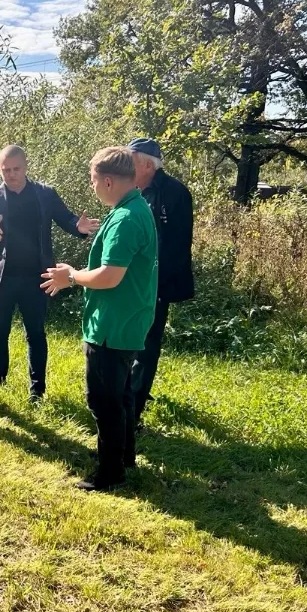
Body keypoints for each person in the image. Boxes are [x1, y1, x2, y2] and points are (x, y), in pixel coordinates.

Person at [41, 146, 157, 491]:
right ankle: (123, 456)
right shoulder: (136, 207)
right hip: (126, 319)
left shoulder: (125, 218)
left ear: (107, 181)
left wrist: (71, 277)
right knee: (121, 394)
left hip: (113, 324)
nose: (92, 188)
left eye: (93, 181)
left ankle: (109, 474)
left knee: (103, 399)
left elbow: (110, 276)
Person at [0, 145, 99, 401]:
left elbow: (66, 218)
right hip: (2, 277)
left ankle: (37, 390)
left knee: (36, 334)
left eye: (15, 169)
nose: (10, 174)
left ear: (26, 166)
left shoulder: (44, 194)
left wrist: (79, 227)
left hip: (37, 278)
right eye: (5, 170)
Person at [126, 138, 194, 427]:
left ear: (144, 163)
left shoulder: (175, 193)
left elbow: (178, 246)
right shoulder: (131, 189)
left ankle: (134, 411)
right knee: (127, 342)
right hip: (127, 282)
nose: (124, 167)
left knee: (146, 345)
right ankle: (126, 396)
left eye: (129, 161)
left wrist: (154, 284)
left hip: (156, 284)